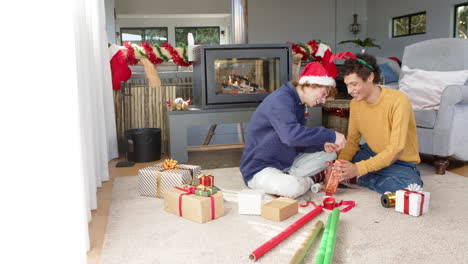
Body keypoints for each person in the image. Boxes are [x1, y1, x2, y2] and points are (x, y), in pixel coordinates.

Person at [240, 50, 349, 199]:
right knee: (292, 188)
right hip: (260, 168)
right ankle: (309, 180)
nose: (323, 101)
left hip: (287, 163)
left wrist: (320, 145)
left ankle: (291, 178)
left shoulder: (298, 102)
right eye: (323, 94)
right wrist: (329, 134)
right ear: (310, 84)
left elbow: (296, 142)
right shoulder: (281, 100)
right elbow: (291, 137)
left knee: (330, 153)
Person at [334, 53, 423, 194]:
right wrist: (339, 167)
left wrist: (358, 169)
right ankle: (364, 175)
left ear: (370, 77)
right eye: (347, 85)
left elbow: (396, 150)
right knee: (347, 158)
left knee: (412, 186)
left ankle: (360, 178)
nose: (349, 91)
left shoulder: (398, 100)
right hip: (371, 153)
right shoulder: (355, 104)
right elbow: (352, 141)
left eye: (354, 84)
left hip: (399, 160)